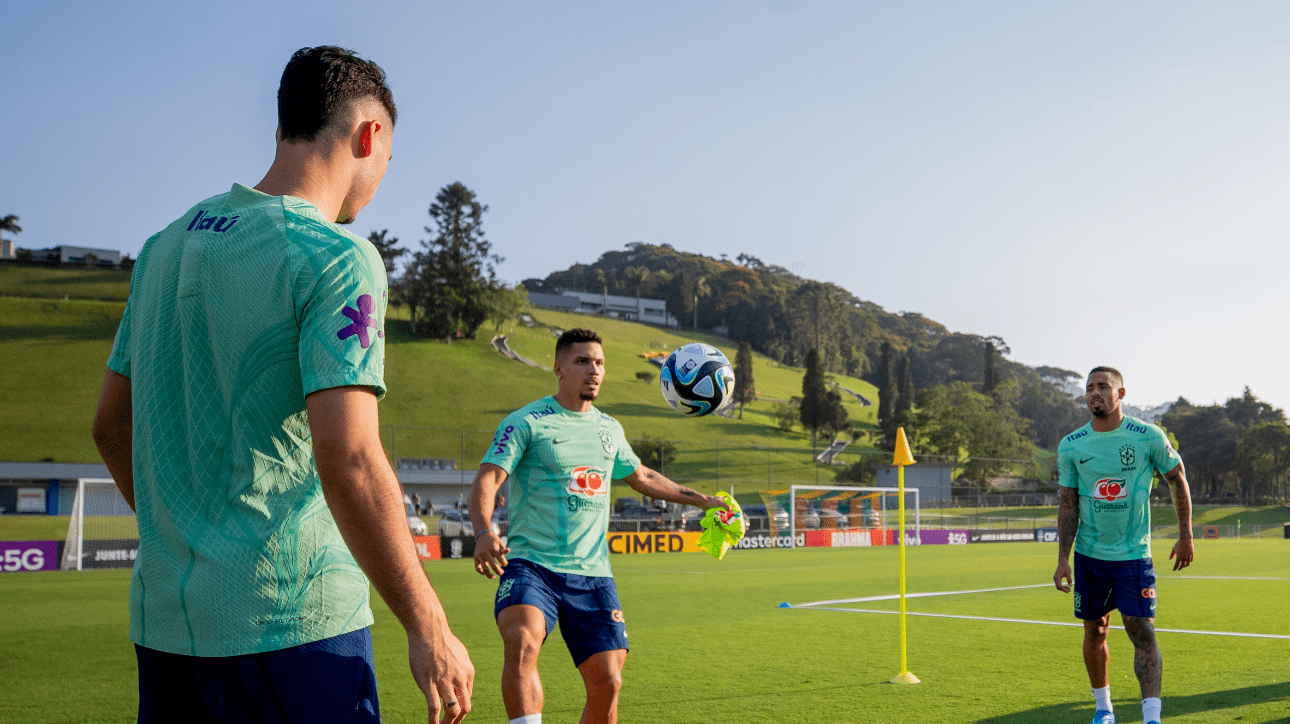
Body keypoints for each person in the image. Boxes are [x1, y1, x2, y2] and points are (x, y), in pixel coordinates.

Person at [91, 46, 474, 724]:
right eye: (389, 158)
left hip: (167, 627)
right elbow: (349, 455)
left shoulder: (162, 248)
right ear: (370, 136)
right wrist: (429, 623)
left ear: (281, 128)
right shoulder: (334, 256)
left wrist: (187, 535)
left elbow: (109, 428)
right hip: (294, 624)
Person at [468, 328, 728, 724]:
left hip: (593, 574)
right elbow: (488, 480)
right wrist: (485, 531)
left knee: (608, 681)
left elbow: (643, 477)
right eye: (583, 361)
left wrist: (703, 500)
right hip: (531, 565)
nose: (595, 371)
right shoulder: (527, 422)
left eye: (600, 363)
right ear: (558, 367)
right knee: (522, 641)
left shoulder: (609, 429)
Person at [1053, 367, 1193, 724]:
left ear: (1121, 393)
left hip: (1133, 556)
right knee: (1094, 630)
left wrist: (1186, 534)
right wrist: (1063, 559)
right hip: (1089, 556)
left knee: (1141, 629)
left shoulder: (1147, 436)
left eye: (1103, 387)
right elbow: (1068, 504)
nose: (1094, 393)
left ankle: (1151, 717)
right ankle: (1104, 710)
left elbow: (1177, 479)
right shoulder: (1071, 445)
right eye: (1089, 389)